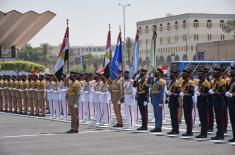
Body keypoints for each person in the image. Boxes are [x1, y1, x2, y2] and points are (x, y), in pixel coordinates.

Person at [209, 67, 226, 140]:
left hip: (220, 102)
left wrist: (214, 93)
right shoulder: (215, 81)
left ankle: (221, 135)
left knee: (220, 119)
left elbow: (223, 93)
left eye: (216, 72)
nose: (214, 73)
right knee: (218, 119)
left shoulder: (222, 81)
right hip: (215, 101)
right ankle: (218, 133)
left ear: (219, 73)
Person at [195, 68, 211, 139]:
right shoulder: (199, 82)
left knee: (204, 119)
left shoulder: (206, 83)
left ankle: (204, 133)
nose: (199, 75)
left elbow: (208, 94)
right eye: (199, 74)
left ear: (204, 75)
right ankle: (202, 132)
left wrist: (200, 94)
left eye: (201, 74)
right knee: (201, 119)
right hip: (199, 102)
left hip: (204, 102)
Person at [180, 69, 195, 137]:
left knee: (188, 117)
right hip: (185, 100)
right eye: (183, 74)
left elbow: (192, 93)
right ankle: (188, 131)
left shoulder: (191, 82)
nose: (183, 75)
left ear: (188, 75)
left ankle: (190, 131)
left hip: (189, 101)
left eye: (185, 74)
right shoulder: (183, 82)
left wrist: (184, 94)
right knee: (186, 117)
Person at [166, 70, 181, 135]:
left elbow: (178, 94)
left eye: (172, 74)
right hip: (171, 101)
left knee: (175, 116)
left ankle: (176, 130)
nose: (171, 76)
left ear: (175, 75)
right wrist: (167, 94)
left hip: (175, 101)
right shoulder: (171, 83)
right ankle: (173, 129)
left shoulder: (178, 83)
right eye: (171, 74)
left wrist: (171, 93)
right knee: (172, 117)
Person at [225, 67, 235, 143]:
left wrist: (232, 95)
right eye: (230, 72)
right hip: (231, 103)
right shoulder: (231, 81)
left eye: (232, 72)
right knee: (232, 121)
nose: (231, 73)